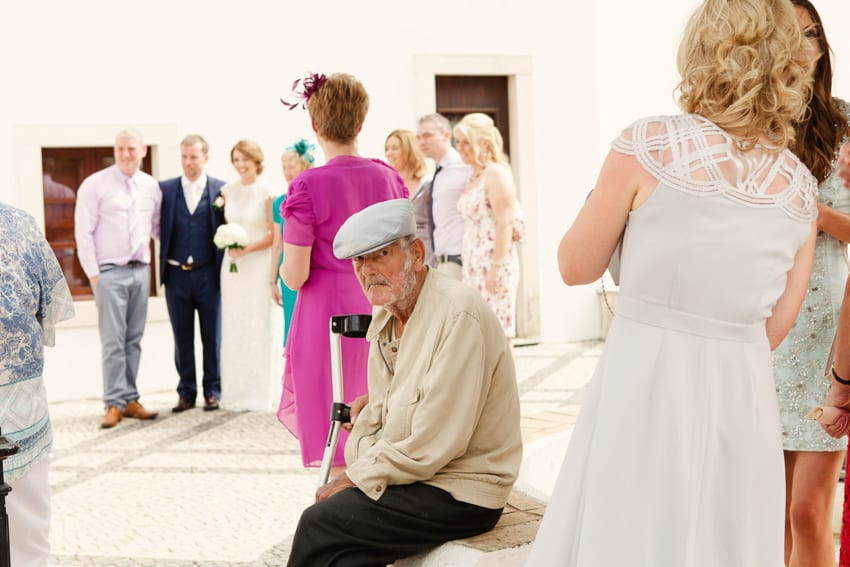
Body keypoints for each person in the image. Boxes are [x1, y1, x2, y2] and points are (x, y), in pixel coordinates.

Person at [526, 0, 818, 564]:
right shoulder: (800, 190)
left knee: (630, 531)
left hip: (645, 378)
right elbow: (776, 327)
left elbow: (574, 266)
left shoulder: (649, 145)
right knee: (723, 539)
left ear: (702, 52)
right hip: (741, 394)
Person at [286, 199, 522, 566]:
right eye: (359, 261)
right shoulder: (388, 312)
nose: (368, 271)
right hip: (420, 474)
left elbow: (432, 441)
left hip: (463, 489)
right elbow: (380, 415)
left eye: (380, 255)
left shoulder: (457, 315)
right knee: (344, 556)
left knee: (319, 524)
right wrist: (365, 453)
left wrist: (355, 478)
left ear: (415, 253)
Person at [276, 72, 408, 474]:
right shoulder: (389, 178)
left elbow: (294, 276)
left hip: (325, 321)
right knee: (380, 425)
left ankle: (336, 505)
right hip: (382, 313)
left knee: (334, 438)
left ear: (315, 126)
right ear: (361, 123)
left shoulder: (306, 186)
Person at [772, 2, 850, 564]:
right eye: (788, 34)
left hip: (827, 332)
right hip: (762, 327)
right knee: (768, 508)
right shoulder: (750, 125)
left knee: (807, 511)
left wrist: (812, 212)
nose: (802, 46)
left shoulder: (845, 123)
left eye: (811, 33)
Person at [1, 203, 74, 566]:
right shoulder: (20, 224)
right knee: (27, 533)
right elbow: (51, 308)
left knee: (27, 527)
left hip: (19, 406)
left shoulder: (20, 223)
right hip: (20, 403)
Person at [74, 128, 162, 428]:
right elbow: (83, 233)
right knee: (113, 341)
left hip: (141, 270)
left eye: (131, 148)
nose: (125, 154)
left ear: (143, 151)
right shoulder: (95, 185)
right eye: (120, 148)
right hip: (109, 272)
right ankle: (113, 402)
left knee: (133, 340)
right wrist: (94, 275)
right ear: (114, 150)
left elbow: (157, 228)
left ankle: (130, 399)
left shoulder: (151, 186)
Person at [160, 134, 226, 413]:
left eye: (194, 157)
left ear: (205, 158)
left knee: (212, 336)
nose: (188, 162)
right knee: (182, 337)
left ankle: (213, 390)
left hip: (208, 274)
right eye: (184, 157)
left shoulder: (220, 190)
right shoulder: (165, 189)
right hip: (176, 275)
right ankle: (186, 392)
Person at [219, 139, 276, 411]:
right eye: (236, 160)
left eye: (245, 159)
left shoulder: (266, 192)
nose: (240, 165)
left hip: (257, 265)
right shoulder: (227, 191)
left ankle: (258, 392)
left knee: (256, 323)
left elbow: (274, 235)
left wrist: (248, 249)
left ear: (256, 161)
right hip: (232, 268)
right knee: (234, 324)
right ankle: (234, 392)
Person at [454, 113, 520, 339]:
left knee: (499, 336)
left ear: (483, 143)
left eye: (466, 142)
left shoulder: (496, 173)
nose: (460, 148)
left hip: (493, 264)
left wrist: (496, 268)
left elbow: (506, 222)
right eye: (458, 142)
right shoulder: (472, 177)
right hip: (473, 266)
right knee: (479, 337)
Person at [270, 138, 315, 347]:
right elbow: (277, 245)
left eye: (292, 166)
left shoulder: (316, 197)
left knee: (312, 326)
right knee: (292, 326)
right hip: (287, 274)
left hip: (312, 271)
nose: (287, 172)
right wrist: (272, 280)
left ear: (305, 166)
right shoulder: (279, 202)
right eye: (284, 167)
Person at [417, 113, 471, 279]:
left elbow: (491, 188)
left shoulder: (465, 166)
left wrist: (517, 218)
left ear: (446, 135)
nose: (421, 142)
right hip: (441, 262)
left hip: (459, 259)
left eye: (427, 135)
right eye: (419, 137)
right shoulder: (438, 173)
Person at [385, 128, 435, 267]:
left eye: (395, 148)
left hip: (426, 256)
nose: (389, 153)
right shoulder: (388, 185)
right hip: (398, 257)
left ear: (409, 150)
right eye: (387, 148)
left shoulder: (427, 184)